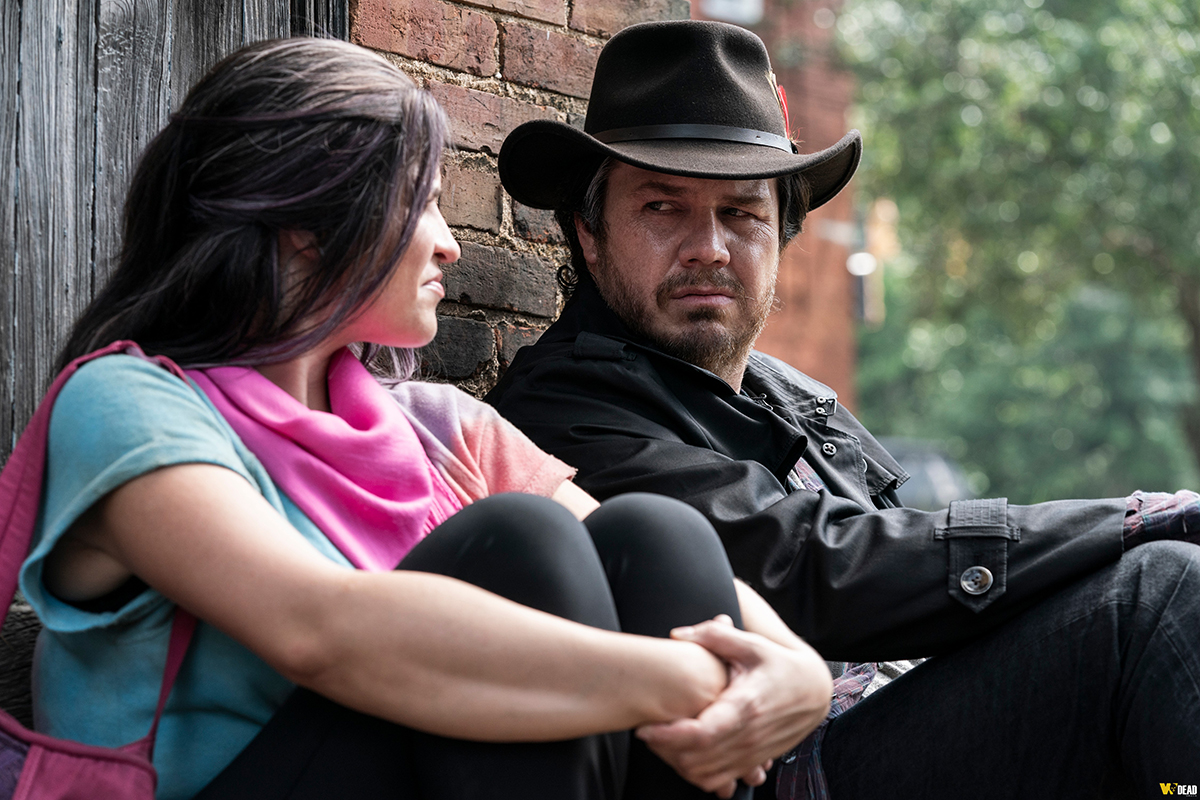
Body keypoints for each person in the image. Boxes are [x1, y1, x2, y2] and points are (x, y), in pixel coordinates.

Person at [16, 37, 836, 800]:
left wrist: (796, 673)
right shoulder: (127, 405)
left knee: (655, 532)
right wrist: (686, 681)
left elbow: (667, 559)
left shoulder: (432, 426)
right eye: (422, 204)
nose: (449, 244)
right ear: (306, 224)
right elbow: (317, 631)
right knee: (520, 544)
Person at [486, 19, 1200, 799]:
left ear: (783, 235)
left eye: (742, 213)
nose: (709, 246)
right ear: (589, 235)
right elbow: (814, 563)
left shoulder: (792, 397)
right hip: (792, 774)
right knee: (1160, 590)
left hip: (903, 730)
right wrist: (1137, 519)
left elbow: (915, 568)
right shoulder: (558, 412)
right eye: (663, 207)